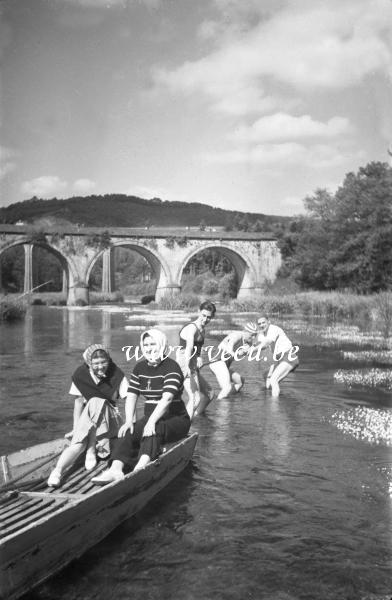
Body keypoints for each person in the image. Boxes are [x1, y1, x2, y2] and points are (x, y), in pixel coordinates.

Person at [92, 328, 191, 485]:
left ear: (162, 344)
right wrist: (129, 420)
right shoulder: (140, 367)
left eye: (153, 344)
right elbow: (131, 396)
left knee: (154, 428)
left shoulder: (172, 367)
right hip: (150, 417)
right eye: (146, 345)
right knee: (128, 431)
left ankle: (140, 469)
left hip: (176, 419)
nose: (149, 348)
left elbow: (167, 398)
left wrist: (151, 422)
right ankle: (115, 470)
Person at [47, 344, 129, 488]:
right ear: (88, 363)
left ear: (109, 361)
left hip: (111, 420)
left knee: (95, 401)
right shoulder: (80, 375)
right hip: (88, 418)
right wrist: (75, 429)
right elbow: (78, 403)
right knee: (78, 443)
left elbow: (129, 399)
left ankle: (91, 448)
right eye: (96, 363)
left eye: (104, 362)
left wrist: (129, 423)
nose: (100, 366)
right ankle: (57, 471)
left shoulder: (117, 374)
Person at [176, 300, 216, 418]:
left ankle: (194, 418)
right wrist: (188, 366)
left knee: (209, 394)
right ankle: (185, 427)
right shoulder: (192, 328)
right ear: (198, 312)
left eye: (209, 317)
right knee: (195, 398)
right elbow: (188, 348)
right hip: (185, 363)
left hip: (192, 363)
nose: (205, 319)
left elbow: (197, 350)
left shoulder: (202, 329)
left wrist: (199, 358)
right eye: (203, 315)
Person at [208, 322, 258, 399]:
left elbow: (244, 353)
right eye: (252, 335)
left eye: (255, 335)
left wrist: (244, 352)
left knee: (240, 381)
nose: (254, 338)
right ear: (245, 332)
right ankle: (220, 406)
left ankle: (225, 397)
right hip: (217, 362)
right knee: (227, 387)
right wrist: (234, 353)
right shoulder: (236, 335)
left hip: (224, 364)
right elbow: (229, 347)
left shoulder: (248, 341)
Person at [254, 315, 299, 397]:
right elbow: (259, 345)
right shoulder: (262, 334)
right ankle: (271, 398)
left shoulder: (273, 329)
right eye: (259, 324)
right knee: (267, 379)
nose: (261, 325)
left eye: (263, 322)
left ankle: (274, 406)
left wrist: (252, 349)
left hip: (288, 357)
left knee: (273, 380)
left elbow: (266, 343)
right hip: (279, 360)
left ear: (269, 322)